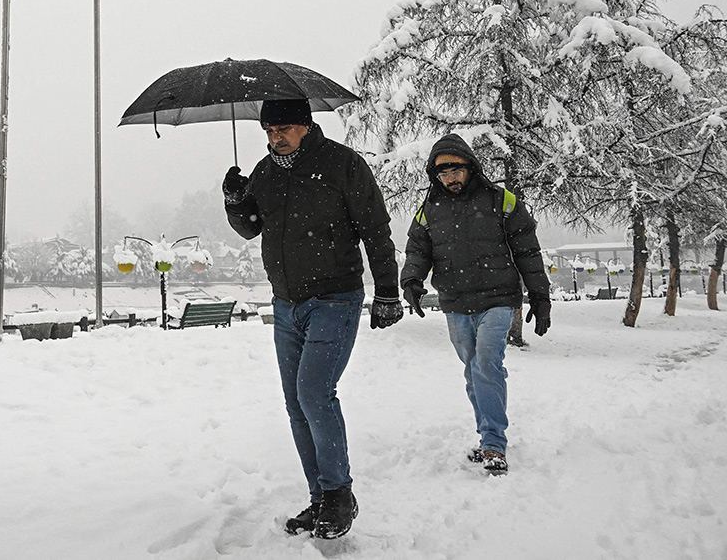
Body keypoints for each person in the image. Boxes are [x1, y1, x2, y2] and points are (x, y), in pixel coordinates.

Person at [222, 98, 403, 540]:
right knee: (296, 403)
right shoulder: (265, 173)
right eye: (267, 131)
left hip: (335, 298)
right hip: (286, 304)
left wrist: (388, 292)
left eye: (282, 129)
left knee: (314, 392)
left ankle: (340, 493)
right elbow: (251, 227)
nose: (274, 138)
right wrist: (234, 200)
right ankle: (320, 497)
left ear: (305, 126)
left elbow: (376, 230)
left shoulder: (342, 165)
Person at [400, 133, 552, 475]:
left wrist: (540, 297)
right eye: (442, 172)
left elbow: (527, 251)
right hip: (455, 302)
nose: (450, 177)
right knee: (473, 370)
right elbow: (417, 251)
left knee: (486, 362)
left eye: (455, 169)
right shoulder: (429, 211)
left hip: (498, 298)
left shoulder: (502, 201)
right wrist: (410, 281)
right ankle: (487, 437)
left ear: (470, 166)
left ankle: (494, 444)